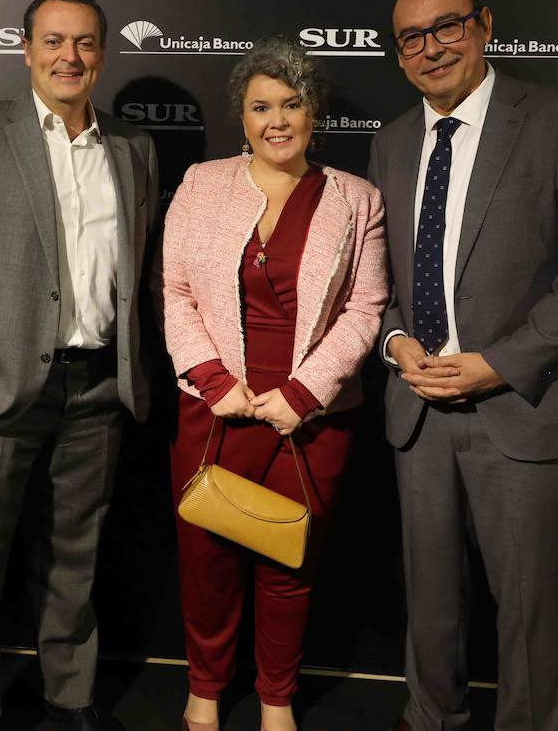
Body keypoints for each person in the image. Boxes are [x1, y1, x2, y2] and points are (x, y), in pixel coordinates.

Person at [367, 0, 558, 731]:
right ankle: (431, 719)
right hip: (418, 412)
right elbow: (374, 279)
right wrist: (394, 341)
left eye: (445, 27)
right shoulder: (391, 142)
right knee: (431, 606)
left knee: (531, 615)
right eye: (411, 38)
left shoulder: (555, 118)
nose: (430, 48)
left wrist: (499, 362)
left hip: (527, 406)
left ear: (483, 25)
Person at [0, 0, 159, 731]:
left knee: (74, 557)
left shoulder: (133, 148)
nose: (68, 57)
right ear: (25, 50)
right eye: (53, 41)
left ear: (103, 56)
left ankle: (70, 695)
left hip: (98, 389)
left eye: (83, 43)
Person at [161, 36, 388, 731]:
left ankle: (276, 698)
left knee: (288, 559)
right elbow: (174, 292)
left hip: (309, 418)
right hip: (215, 408)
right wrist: (210, 379)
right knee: (207, 557)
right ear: (244, 117)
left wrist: (302, 393)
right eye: (262, 107)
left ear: (313, 112)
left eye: (293, 104)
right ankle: (204, 686)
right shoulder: (201, 184)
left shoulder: (357, 199)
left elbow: (365, 307)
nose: (278, 120)